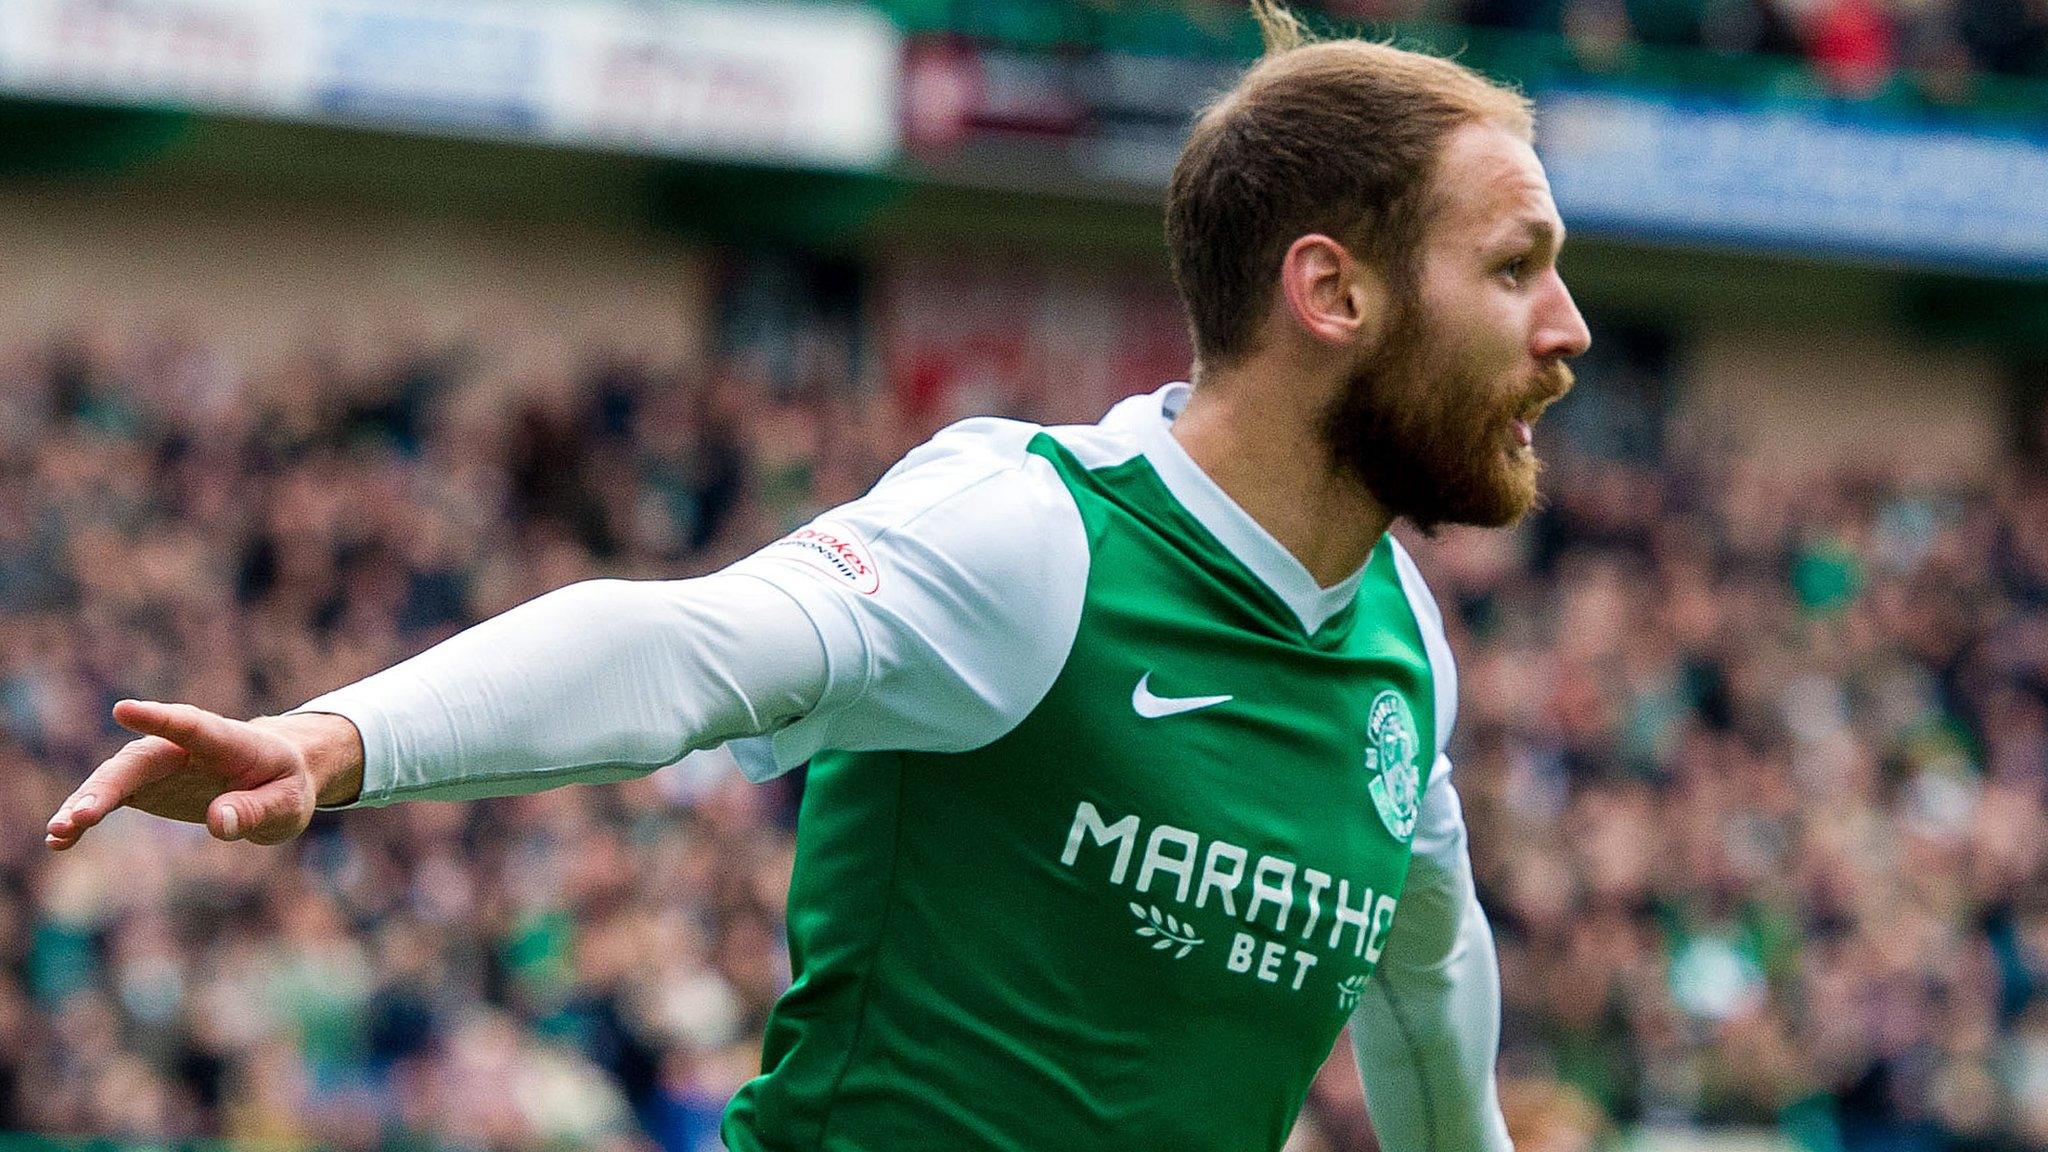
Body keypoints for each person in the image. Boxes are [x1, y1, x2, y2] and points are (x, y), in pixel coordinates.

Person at [44, 4, 1590, 1149]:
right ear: (1331, 290)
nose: (1567, 328)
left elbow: (1424, 954)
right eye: (1514, 267)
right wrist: (333, 741)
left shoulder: (1401, 649)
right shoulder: (1039, 537)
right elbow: (685, 646)